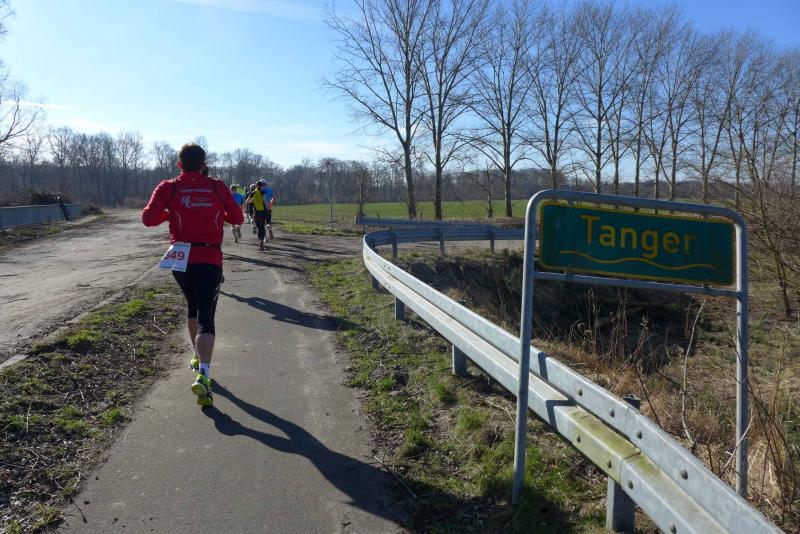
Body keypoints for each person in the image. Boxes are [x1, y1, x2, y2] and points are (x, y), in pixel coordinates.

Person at [141, 143, 243, 407]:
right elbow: (238, 218)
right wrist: (215, 212)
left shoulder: (168, 187)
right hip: (209, 256)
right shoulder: (216, 186)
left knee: (193, 307)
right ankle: (204, 375)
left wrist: (169, 214)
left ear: (179, 164)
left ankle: (197, 357)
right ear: (203, 164)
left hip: (181, 256)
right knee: (206, 315)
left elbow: (148, 219)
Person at [251, 180, 272, 251]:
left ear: (256, 186)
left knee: (258, 228)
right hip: (263, 212)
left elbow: (248, 201)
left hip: (256, 213)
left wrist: (245, 206)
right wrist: (268, 206)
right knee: (262, 227)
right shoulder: (263, 192)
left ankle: (260, 241)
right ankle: (262, 241)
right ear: (262, 186)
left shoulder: (253, 193)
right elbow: (265, 202)